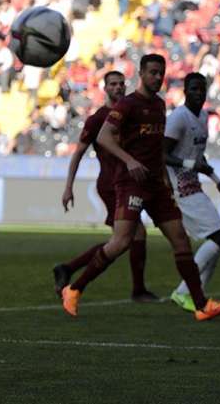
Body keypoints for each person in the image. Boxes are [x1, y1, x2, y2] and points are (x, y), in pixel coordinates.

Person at [59, 54, 220, 321]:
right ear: (141, 73)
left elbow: (156, 150)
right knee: (120, 242)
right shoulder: (128, 105)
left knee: (181, 241)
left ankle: (201, 305)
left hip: (157, 185)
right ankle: (74, 288)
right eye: (152, 72)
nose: (157, 77)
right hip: (131, 184)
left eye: (160, 73)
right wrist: (129, 161)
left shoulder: (159, 105)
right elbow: (105, 137)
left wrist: (164, 179)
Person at [55, 71, 157, 303]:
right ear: (105, 88)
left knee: (126, 238)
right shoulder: (96, 119)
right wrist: (68, 187)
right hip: (111, 185)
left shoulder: (131, 113)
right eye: (113, 84)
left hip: (129, 183)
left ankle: (68, 268)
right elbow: (77, 154)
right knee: (129, 236)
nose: (118, 87)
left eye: (121, 84)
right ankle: (137, 290)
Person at [164, 73, 220, 312]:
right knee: (219, 237)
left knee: (218, 241)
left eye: (201, 89)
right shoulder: (178, 118)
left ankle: (197, 296)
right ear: (185, 90)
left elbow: (198, 156)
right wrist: (193, 167)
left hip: (194, 184)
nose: (198, 93)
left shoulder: (203, 116)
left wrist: (218, 182)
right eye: (193, 89)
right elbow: (164, 155)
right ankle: (185, 292)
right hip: (180, 188)